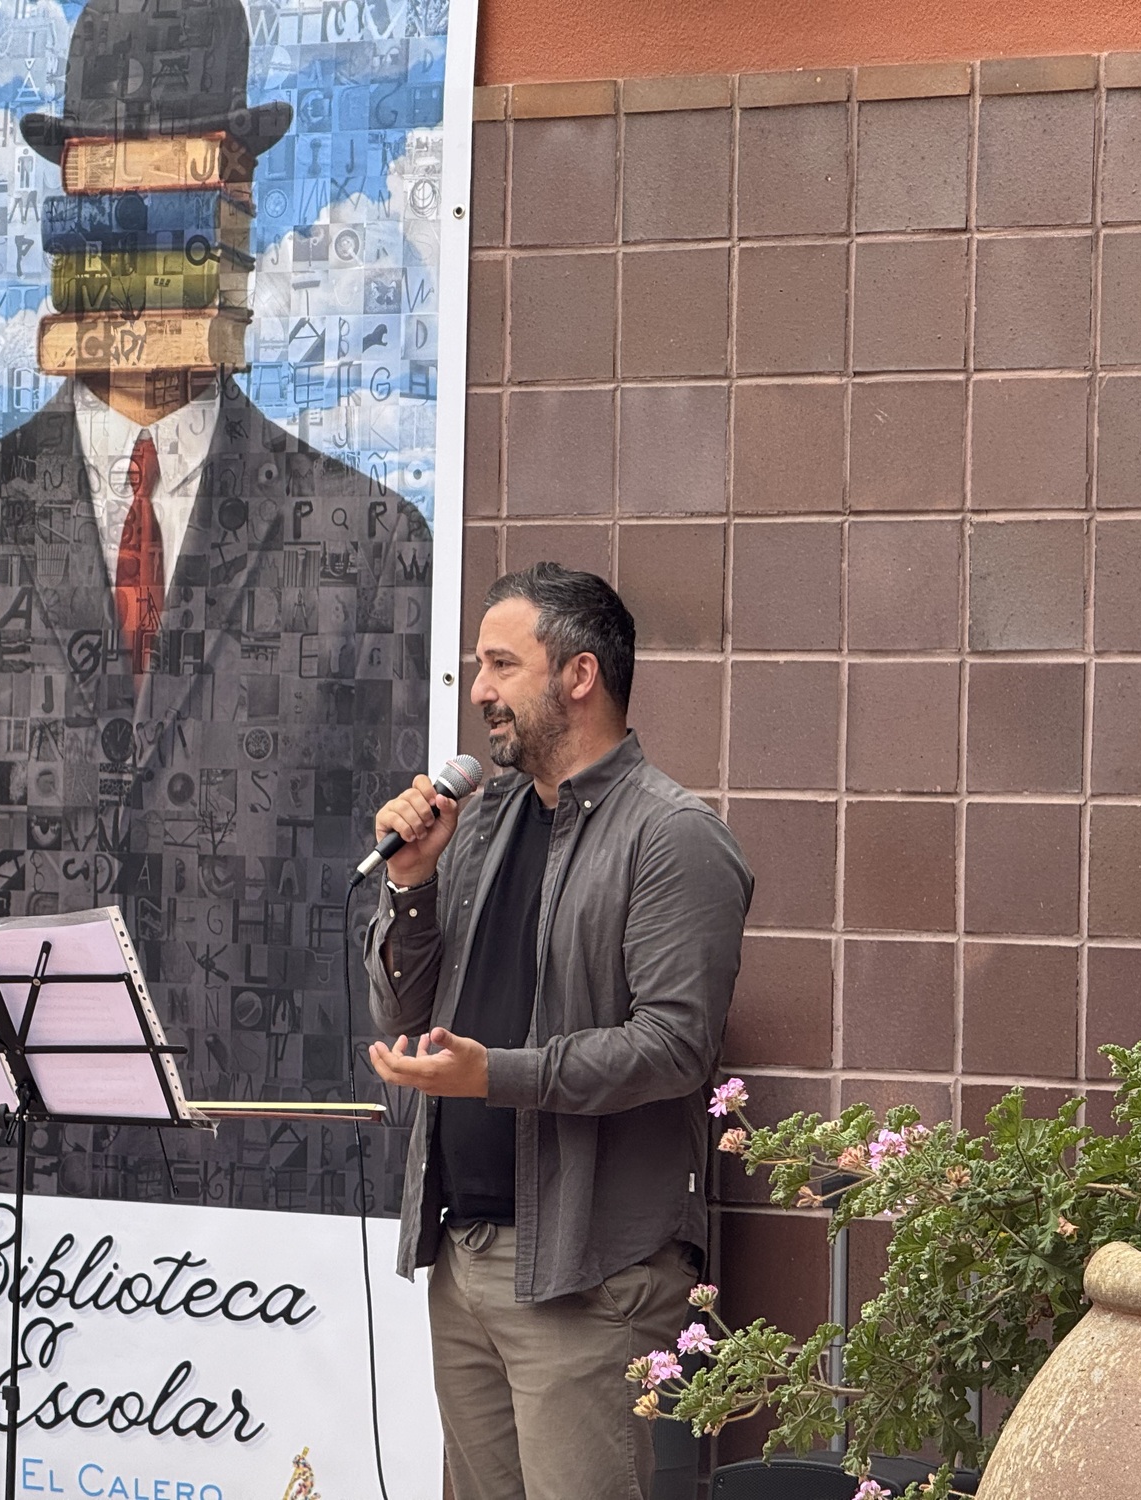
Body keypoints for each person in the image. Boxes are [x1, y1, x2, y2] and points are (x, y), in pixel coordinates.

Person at [0, 0, 435, 1215]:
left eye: (181, 194)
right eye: (109, 196)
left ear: (237, 212)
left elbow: (391, 904)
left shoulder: (370, 543)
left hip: (269, 1172)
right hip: (5, 1180)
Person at [364, 563, 752, 1500]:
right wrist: (411, 885)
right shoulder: (482, 821)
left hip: (588, 1274)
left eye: (502, 665)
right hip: (466, 1255)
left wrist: (495, 1075)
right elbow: (405, 1016)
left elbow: (675, 1046)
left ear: (580, 675)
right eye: (478, 665)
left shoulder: (671, 835)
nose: (480, 691)